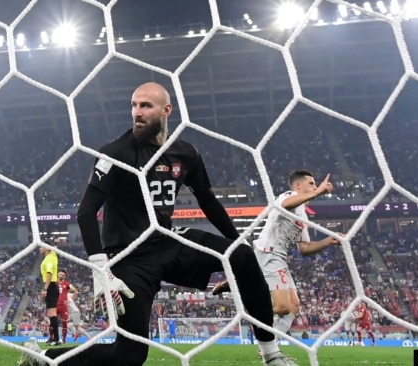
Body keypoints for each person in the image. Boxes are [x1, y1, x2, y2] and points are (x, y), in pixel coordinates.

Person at [19, 82, 296, 366]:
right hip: (128, 257)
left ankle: (271, 354)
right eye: (134, 105)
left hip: (165, 241)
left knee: (243, 255)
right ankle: (43, 359)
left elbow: (208, 201)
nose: (137, 112)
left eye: (146, 106)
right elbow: (86, 212)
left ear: (166, 110)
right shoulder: (116, 153)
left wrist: (232, 251)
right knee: (129, 356)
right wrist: (100, 269)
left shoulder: (185, 153)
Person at [253, 170, 342, 348]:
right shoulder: (288, 196)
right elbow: (286, 205)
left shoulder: (302, 215)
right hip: (267, 252)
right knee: (282, 307)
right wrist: (319, 193)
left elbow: (305, 248)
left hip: (280, 258)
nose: (315, 186)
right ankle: (247, 309)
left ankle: (270, 348)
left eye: (315, 184)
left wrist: (328, 241)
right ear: (298, 185)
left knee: (293, 306)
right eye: (311, 183)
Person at [40, 244, 60, 345]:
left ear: (47, 249)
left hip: (51, 286)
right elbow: (55, 250)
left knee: (52, 313)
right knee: (52, 313)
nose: (40, 248)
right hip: (53, 286)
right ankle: (54, 337)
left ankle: (56, 339)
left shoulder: (48, 259)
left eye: (41, 247)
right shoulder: (53, 256)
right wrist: (55, 243)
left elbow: (49, 273)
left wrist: (45, 288)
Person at [56, 269, 79, 344]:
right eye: (60, 274)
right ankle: (53, 338)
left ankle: (64, 339)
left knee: (64, 323)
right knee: (53, 322)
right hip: (55, 306)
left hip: (63, 306)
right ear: (57, 274)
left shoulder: (67, 284)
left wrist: (70, 301)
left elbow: (76, 291)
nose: (61, 276)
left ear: (65, 276)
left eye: (63, 275)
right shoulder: (54, 283)